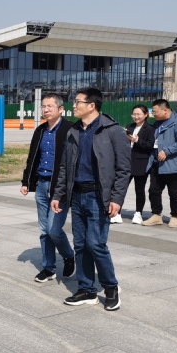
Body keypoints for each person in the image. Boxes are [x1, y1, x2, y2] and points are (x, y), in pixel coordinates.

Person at [51, 87, 130, 311]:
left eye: (78, 102)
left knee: (96, 244)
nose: (74, 105)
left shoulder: (112, 131)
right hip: (77, 196)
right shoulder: (73, 131)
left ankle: (111, 287)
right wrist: (58, 194)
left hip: (98, 196)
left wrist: (117, 198)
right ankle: (86, 289)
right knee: (80, 245)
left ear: (91, 106)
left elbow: (124, 169)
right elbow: (65, 166)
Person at [20, 93, 75, 282]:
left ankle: (68, 255)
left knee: (53, 229)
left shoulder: (70, 129)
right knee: (44, 230)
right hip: (41, 185)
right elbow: (32, 157)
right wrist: (26, 181)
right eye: (43, 106)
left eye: (50, 106)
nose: (46, 109)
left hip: (59, 187)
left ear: (61, 109)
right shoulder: (40, 130)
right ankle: (49, 268)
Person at [142, 99, 177, 229]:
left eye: (155, 112)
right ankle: (156, 215)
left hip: (174, 164)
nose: (153, 114)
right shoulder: (157, 123)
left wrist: (167, 151)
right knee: (154, 190)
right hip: (157, 162)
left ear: (165, 110)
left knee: (174, 192)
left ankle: (174, 216)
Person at [125, 104, 155, 224]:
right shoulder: (129, 127)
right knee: (121, 188)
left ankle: (138, 213)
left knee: (139, 189)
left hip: (141, 162)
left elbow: (150, 145)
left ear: (146, 115)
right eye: (134, 114)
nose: (136, 117)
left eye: (138, 114)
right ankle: (116, 212)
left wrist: (137, 140)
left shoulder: (150, 129)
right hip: (127, 162)